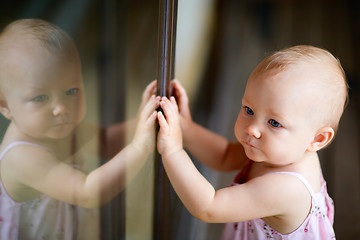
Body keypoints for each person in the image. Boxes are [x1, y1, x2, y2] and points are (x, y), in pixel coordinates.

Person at [157, 45, 348, 239]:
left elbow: (209, 207)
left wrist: (172, 151)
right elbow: (224, 156)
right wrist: (186, 129)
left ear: (317, 139)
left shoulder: (286, 188)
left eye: (274, 122)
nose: (252, 129)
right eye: (249, 110)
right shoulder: (279, 150)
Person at [0, 19, 159, 239]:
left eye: (71, 91)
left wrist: (145, 119)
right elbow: (87, 192)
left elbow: (107, 141)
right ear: (5, 107)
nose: (61, 108)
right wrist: (141, 146)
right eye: (40, 97)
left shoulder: (63, 127)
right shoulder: (22, 157)